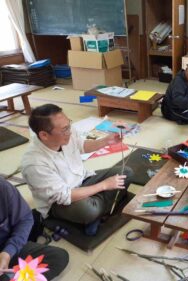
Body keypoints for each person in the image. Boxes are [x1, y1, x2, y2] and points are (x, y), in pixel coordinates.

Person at [21, 104, 133, 235]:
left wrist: (106, 141)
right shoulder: (34, 164)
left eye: (69, 124)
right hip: (59, 202)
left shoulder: (68, 130)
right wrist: (104, 186)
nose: (70, 131)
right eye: (64, 129)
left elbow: (82, 146)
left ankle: (96, 210)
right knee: (88, 210)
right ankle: (95, 212)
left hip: (84, 179)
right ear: (44, 135)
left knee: (126, 173)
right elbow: (64, 195)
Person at [0, 177, 69, 281]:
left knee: (58, 257)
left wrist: (8, 252)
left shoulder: (3, 188)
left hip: (8, 247)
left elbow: (24, 219)